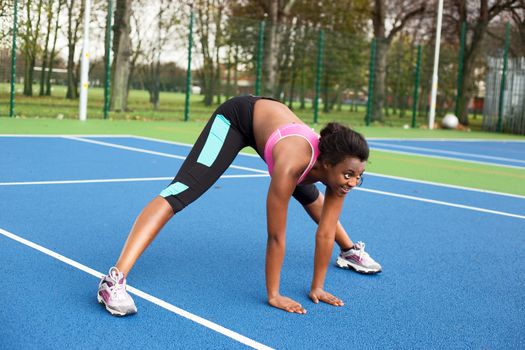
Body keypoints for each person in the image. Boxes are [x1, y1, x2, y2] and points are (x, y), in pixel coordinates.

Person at [97, 95, 381, 316]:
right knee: (180, 191)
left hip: (273, 130)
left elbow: (325, 232)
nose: (353, 182)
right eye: (349, 175)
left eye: (359, 176)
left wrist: (317, 287)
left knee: (311, 197)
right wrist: (274, 294)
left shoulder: (340, 173)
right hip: (236, 118)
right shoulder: (291, 166)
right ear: (328, 164)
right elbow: (276, 236)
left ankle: (349, 251)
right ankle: (114, 280)